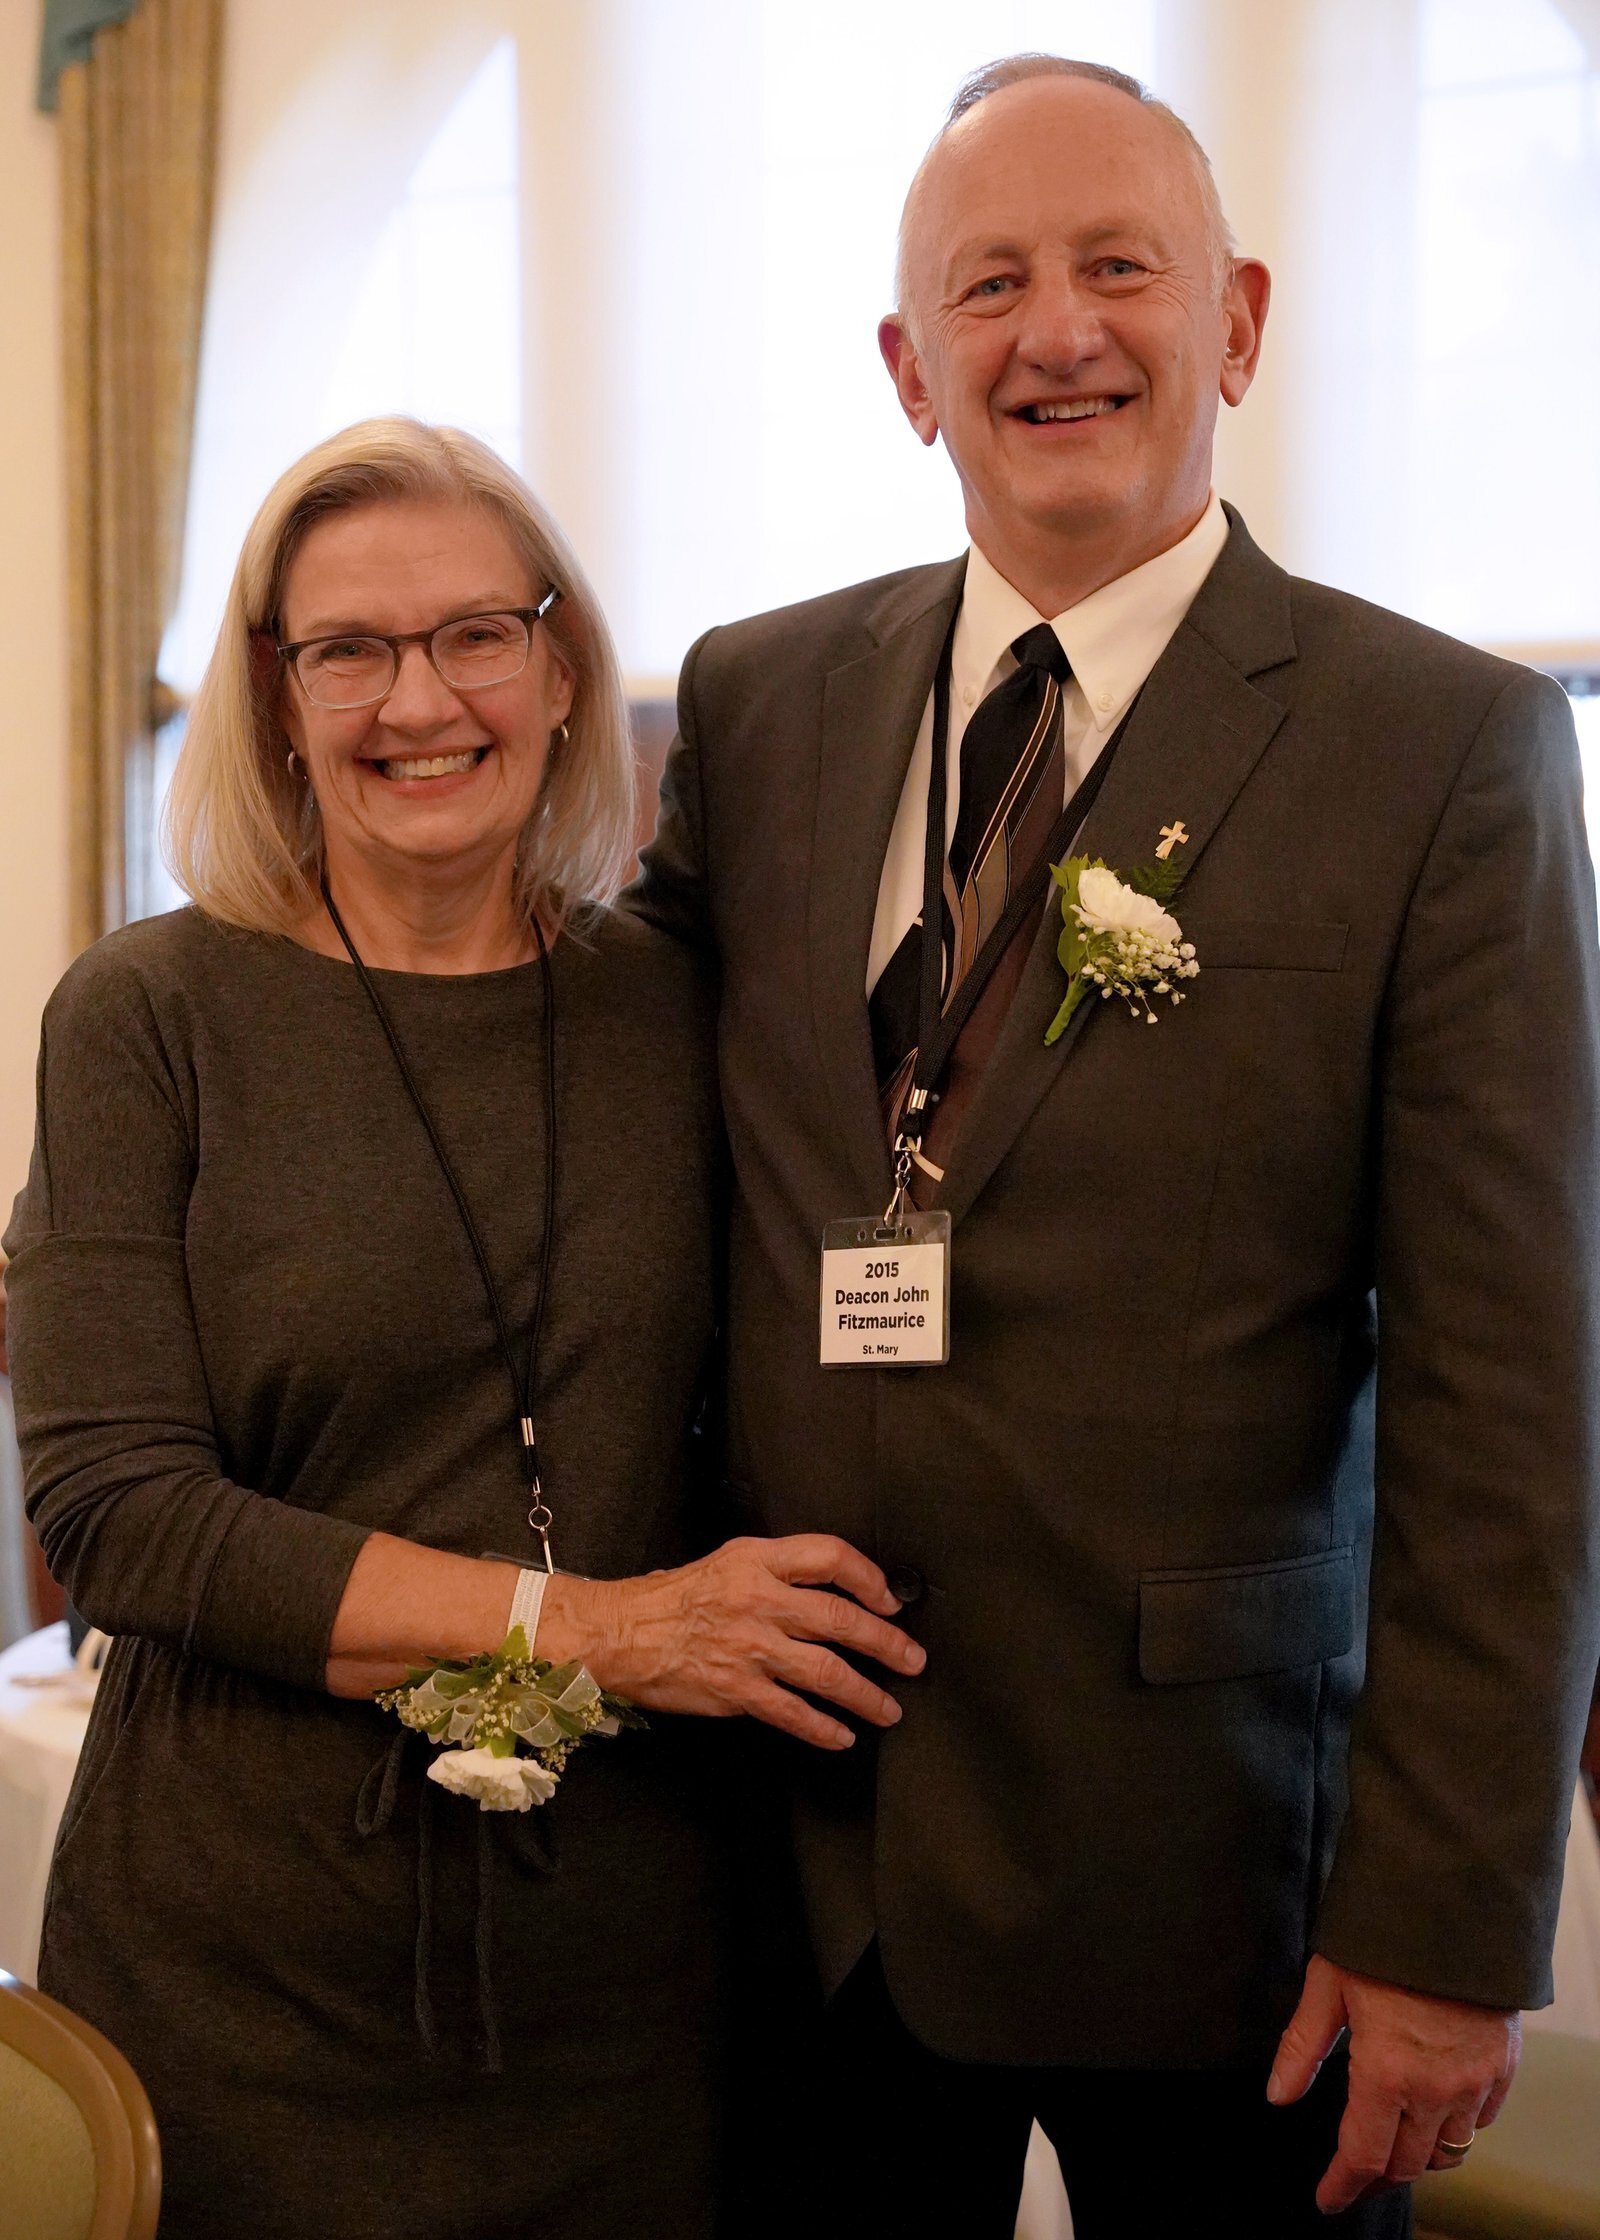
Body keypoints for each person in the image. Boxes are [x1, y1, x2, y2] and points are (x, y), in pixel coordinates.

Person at [629, 55, 1600, 2240]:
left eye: (1113, 269)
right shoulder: (758, 706)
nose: (1050, 332)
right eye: (985, 286)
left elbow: (1507, 1386)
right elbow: (604, 1112)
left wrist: (1451, 1915)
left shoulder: (1438, 749)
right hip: (795, 1845)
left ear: (1234, 322)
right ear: (907, 368)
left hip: (1218, 1869)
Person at [2, 418, 922, 2240]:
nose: (417, 699)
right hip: (243, 1965)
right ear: (274, 699)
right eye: (347, 648)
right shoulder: (148, 1013)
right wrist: (606, 1630)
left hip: (638, 1979)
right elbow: (118, 1515)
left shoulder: (689, 1008)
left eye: (473, 636)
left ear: (563, 665)